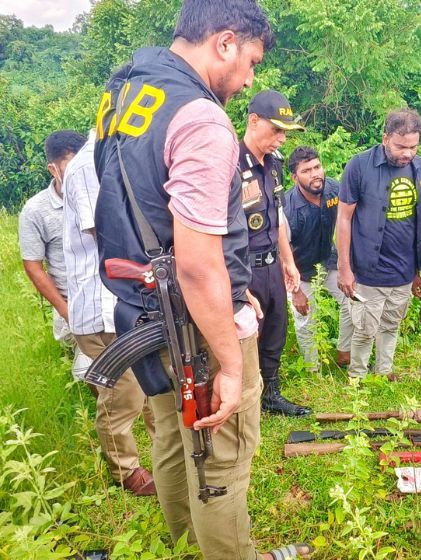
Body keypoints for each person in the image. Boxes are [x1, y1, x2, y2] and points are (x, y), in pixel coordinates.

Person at [92, 1, 310, 557]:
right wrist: (233, 364)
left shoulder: (122, 93)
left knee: (170, 438)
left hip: (139, 311)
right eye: (252, 61)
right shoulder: (202, 117)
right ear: (225, 42)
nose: (250, 79)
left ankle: (188, 545)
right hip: (196, 324)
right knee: (222, 460)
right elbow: (195, 260)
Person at [63, 129, 156, 496]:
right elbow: (104, 230)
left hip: (123, 302)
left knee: (151, 386)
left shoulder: (114, 159)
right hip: (101, 303)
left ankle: (164, 455)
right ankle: (125, 470)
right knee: (125, 391)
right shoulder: (88, 163)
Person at [337, 109, 421, 380]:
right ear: (385, 138)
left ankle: (384, 371)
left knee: (391, 324)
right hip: (368, 268)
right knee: (365, 327)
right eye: (400, 146)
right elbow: (344, 218)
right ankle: (357, 376)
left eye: (413, 146)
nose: (407, 153)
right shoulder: (359, 165)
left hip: (403, 270)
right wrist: (344, 267)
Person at [237, 89, 309, 416]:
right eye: (276, 130)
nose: (281, 139)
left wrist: (288, 261)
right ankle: (244, 403)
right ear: (254, 121)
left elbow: (276, 215)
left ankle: (270, 396)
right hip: (242, 269)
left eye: (285, 132)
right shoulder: (231, 164)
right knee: (246, 338)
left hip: (271, 266)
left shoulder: (274, 164)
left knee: (275, 333)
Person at [18, 131, 91, 381]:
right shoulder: (35, 211)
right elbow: (33, 266)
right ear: (53, 169)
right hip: (74, 305)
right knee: (89, 372)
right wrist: (66, 311)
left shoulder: (102, 196)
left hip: (112, 300)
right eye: (72, 168)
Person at [283, 145, 350, 372]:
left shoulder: (333, 189)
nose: (315, 174)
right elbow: (282, 252)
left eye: (317, 167)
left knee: (352, 301)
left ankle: (344, 353)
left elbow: (348, 223)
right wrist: (295, 291)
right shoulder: (288, 207)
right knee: (305, 319)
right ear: (294, 177)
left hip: (327, 259)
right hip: (298, 270)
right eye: (307, 170)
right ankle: (313, 371)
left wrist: (346, 266)